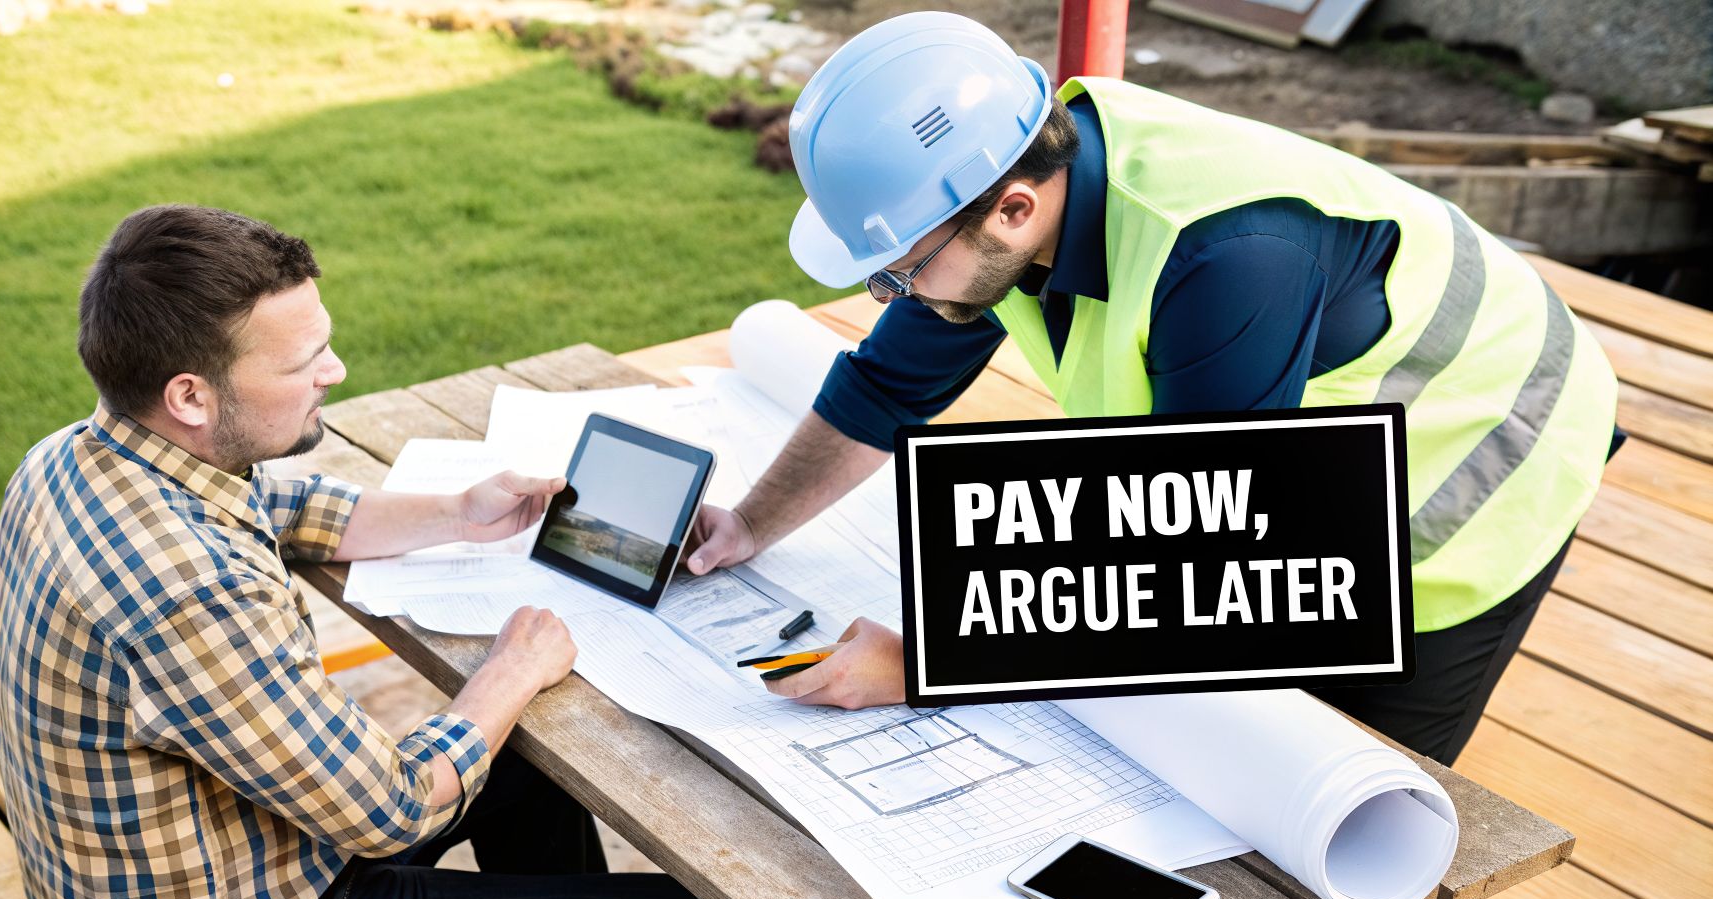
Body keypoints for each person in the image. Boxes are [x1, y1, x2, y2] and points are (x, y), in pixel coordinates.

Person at [683, 12, 1622, 767]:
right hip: (1295, 440)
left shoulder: (1222, 259)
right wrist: (751, 525)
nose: (892, 296)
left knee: (1343, 793)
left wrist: (925, 661)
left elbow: (1201, 555)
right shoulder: (997, 205)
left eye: (899, 272)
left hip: (1484, 448)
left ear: (1013, 208)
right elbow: (884, 387)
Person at [0, 205, 724, 899]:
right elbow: (394, 807)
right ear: (191, 395)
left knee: (524, 758)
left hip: (195, 877)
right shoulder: (190, 595)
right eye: (306, 360)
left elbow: (280, 504)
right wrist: (508, 670)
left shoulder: (74, 456)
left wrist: (460, 511)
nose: (334, 371)